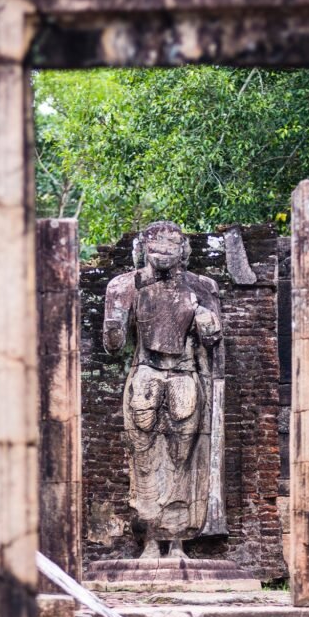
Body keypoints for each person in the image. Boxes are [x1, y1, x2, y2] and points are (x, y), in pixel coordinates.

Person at [103, 220, 225, 559]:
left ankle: (177, 541)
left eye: (173, 244)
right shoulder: (126, 285)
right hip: (146, 371)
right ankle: (151, 538)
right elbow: (113, 345)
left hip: (185, 373)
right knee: (143, 457)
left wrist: (206, 322)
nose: (164, 251)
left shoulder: (201, 287)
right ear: (144, 247)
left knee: (182, 457)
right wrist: (115, 320)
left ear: (184, 250)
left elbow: (215, 344)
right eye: (157, 244)